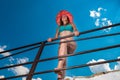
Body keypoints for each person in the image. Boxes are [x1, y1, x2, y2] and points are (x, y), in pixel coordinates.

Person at [47, 10, 79, 80]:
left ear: (67, 18)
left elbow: (76, 30)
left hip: (71, 44)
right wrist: (51, 39)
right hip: (62, 45)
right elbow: (55, 37)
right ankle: (60, 77)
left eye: (65, 16)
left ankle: (59, 67)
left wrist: (76, 32)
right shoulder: (58, 27)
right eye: (62, 17)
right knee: (64, 59)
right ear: (60, 19)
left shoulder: (71, 24)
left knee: (63, 41)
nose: (63, 17)